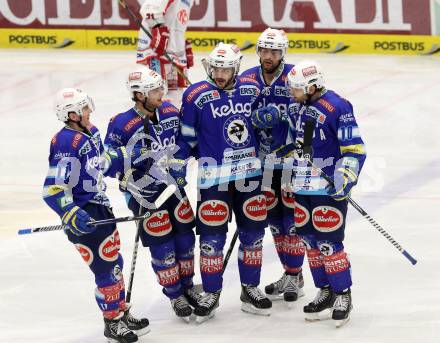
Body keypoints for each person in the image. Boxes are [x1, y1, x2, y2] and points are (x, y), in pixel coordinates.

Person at [254, 60, 366, 327]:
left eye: (295, 88)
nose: (291, 93)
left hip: (328, 189)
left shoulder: (339, 107)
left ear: (313, 86)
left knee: (328, 244)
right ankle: (325, 290)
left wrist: (346, 177)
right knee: (310, 244)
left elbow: (355, 148)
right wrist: (279, 153)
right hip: (301, 186)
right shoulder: (295, 108)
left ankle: (343, 294)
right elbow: (297, 144)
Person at [170, 43, 272, 323]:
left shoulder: (252, 90)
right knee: (211, 242)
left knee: (253, 237)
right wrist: (178, 165)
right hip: (213, 178)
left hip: (250, 176)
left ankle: (250, 288)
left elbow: (263, 130)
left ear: (236, 67)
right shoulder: (195, 96)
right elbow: (186, 137)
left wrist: (272, 137)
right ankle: (212, 292)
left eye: (225, 68)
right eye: (216, 68)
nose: (219, 73)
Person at [43, 88, 150, 342]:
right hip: (84, 217)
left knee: (115, 263)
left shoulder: (91, 133)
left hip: (101, 209)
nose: (90, 111)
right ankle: (111, 322)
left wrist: (130, 157)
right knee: (105, 269)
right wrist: (70, 212)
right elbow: (53, 188)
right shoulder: (65, 143)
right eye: (84, 108)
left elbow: (102, 162)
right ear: (71, 114)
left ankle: (119, 311)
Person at [104, 66, 199, 322]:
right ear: (139, 95)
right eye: (155, 90)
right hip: (144, 196)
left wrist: (179, 167)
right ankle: (175, 294)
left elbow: (183, 143)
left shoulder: (168, 111)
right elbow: (105, 161)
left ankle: (189, 287)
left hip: (174, 189)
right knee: (163, 246)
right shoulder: (121, 123)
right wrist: (130, 163)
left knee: (185, 241)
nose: (162, 92)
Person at [241, 27, 305, 305]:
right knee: (274, 221)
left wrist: (283, 114)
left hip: (290, 161)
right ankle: (290, 272)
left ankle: (296, 272)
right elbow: (236, 115)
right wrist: (252, 119)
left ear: (283, 53)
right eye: (264, 50)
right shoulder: (246, 79)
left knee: (292, 219)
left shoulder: (295, 77)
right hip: (262, 163)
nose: (268, 56)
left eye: (274, 51)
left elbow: (310, 108)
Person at [136, 0, 194, 105]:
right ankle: (156, 120)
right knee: (156, 93)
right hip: (158, 51)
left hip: (174, 50)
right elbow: (150, 9)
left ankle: (172, 119)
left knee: (176, 95)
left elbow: (177, 21)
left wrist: (181, 45)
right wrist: (158, 31)